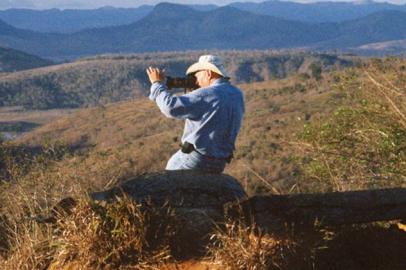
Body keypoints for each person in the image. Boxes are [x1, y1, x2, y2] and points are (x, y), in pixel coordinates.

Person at [146, 55, 244, 173]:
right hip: (219, 163)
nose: (195, 80)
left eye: (197, 74)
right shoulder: (237, 94)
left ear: (208, 73)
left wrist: (156, 84)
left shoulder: (208, 93)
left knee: (166, 184)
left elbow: (170, 107)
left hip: (195, 160)